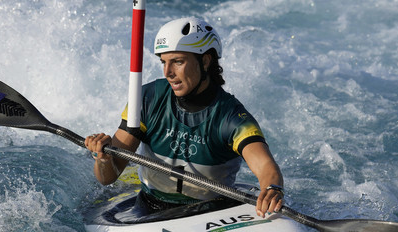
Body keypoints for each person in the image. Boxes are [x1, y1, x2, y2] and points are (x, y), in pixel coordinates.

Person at [85, 17, 284, 218]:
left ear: (205, 61)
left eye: (178, 62)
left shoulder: (230, 116)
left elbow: (266, 166)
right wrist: (103, 159)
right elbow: (107, 177)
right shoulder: (147, 99)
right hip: (148, 207)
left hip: (210, 213)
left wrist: (272, 188)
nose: (168, 72)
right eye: (163, 62)